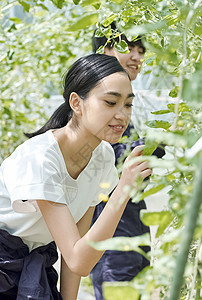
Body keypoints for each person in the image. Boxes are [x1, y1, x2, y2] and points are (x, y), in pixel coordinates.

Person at [0, 54, 153, 300]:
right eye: (110, 102)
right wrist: (124, 189)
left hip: (33, 265)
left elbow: (76, 254)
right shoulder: (41, 158)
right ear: (76, 103)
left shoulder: (102, 156)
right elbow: (79, 259)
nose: (122, 115)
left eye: (128, 104)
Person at [90, 23, 164, 300]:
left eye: (140, 50)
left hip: (134, 217)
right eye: (127, 48)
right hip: (108, 220)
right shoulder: (91, 105)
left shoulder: (141, 106)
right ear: (104, 50)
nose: (136, 56)